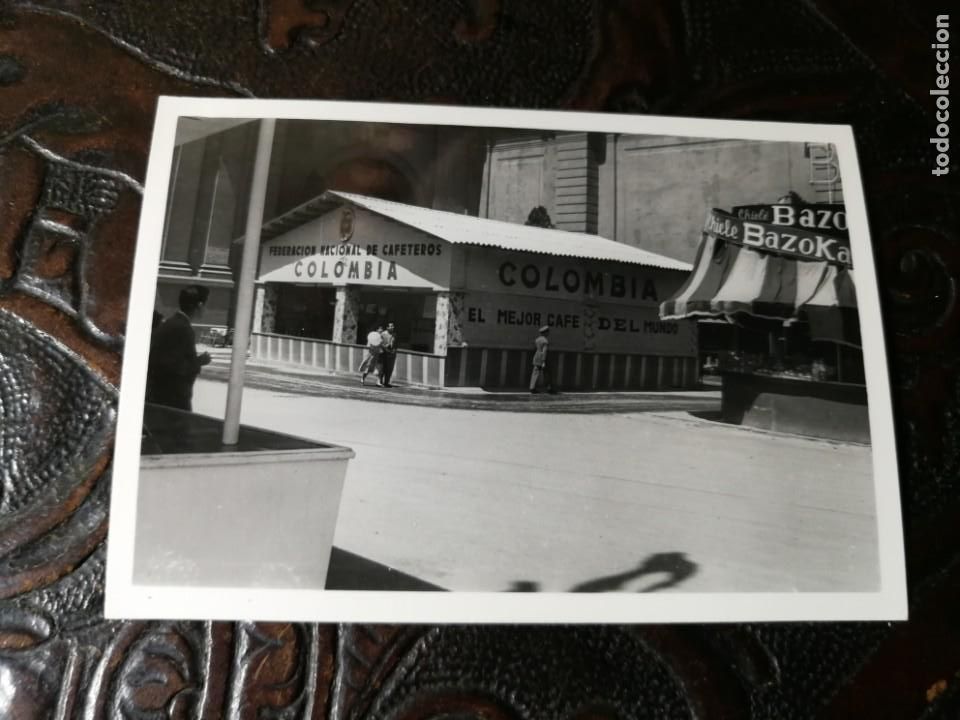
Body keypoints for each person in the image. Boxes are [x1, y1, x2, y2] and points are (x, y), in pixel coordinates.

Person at [146, 285, 212, 411]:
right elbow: (175, 367)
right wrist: (200, 361)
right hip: (172, 401)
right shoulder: (183, 329)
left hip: (161, 397)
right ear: (199, 306)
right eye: (206, 305)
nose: (206, 309)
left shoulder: (173, 323)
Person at [529, 325, 551, 393]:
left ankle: (532, 387)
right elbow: (544, 351)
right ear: (545, 332)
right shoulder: (545, 341)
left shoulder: (537, 339)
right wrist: (543, 361)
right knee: (547, 373)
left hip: (536, 356)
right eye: (547, 332)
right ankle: (549, 388)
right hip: (542, 358)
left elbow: (534, 348)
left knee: (535, 373)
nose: (548, 333)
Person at [379, 322, 397, 387]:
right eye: (391, 326)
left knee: (389, 369)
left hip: (391, 353)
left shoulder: (394, 334)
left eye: (393, 326)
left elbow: (395, 343)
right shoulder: (383, 334)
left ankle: (386, 382)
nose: (392, 327)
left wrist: (394, 350)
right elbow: (380, 343)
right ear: (387, 327)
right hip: (384, 353)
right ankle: (380, 382)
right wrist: (385, 347)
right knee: (383, 368)